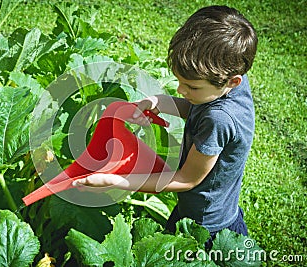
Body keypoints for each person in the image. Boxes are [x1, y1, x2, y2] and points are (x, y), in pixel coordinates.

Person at [72, 5, 258, 248]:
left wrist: (117, 181)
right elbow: (201, 108)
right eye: (180, 82)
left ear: (233, 81)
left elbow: (186, 180)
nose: (181, 90)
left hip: (205, 226)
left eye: (191, 87)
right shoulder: (227, 84)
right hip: (206, 209)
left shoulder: (220, 120)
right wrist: (159, 103)